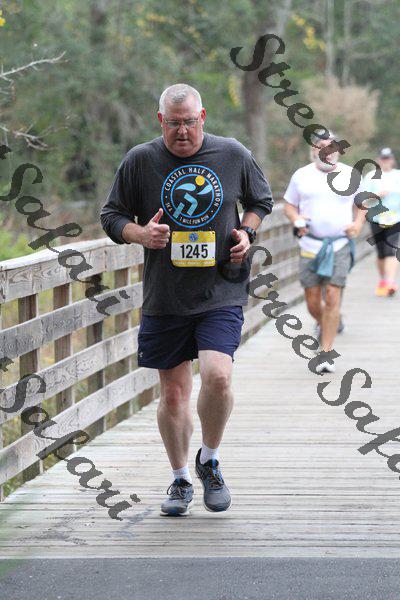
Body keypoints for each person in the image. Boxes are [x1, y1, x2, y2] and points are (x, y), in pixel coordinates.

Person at [100, 83, 273, 516]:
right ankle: (179, 480)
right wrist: (141, 234)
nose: (182, 131)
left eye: (190, 122)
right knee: (174, 394)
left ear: (203, 117)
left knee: (218, 376)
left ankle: (208, 461)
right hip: (166, 295)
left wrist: (246, 232)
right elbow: (111, 215)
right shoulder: (140, 160)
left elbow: (260, 200)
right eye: (174, 123)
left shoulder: (232, 153)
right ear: (161, 120)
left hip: (221, 288)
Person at [283, 132, 366, 374]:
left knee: (331, 296)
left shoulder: (351, 174)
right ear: (313, 150)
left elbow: (361, 204)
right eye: (321, 147)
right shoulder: (301, 176)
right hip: (310, 245)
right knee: (312, 301)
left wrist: (358, 224)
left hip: (339, 244)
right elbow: (289, 205)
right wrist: (296, 219)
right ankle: (328, 321)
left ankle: (326, 353)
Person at [362, 147, 400, 296]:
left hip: (395, 219)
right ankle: (383, 280)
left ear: (392, 160)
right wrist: (377, 195)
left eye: (388, 158)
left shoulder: (398, 175)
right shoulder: (371, 176)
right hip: (376, 219)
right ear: (378, 160)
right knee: (381, 252)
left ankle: (390, 283)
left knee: (391, 249)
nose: (386, 161)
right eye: (383, 159)